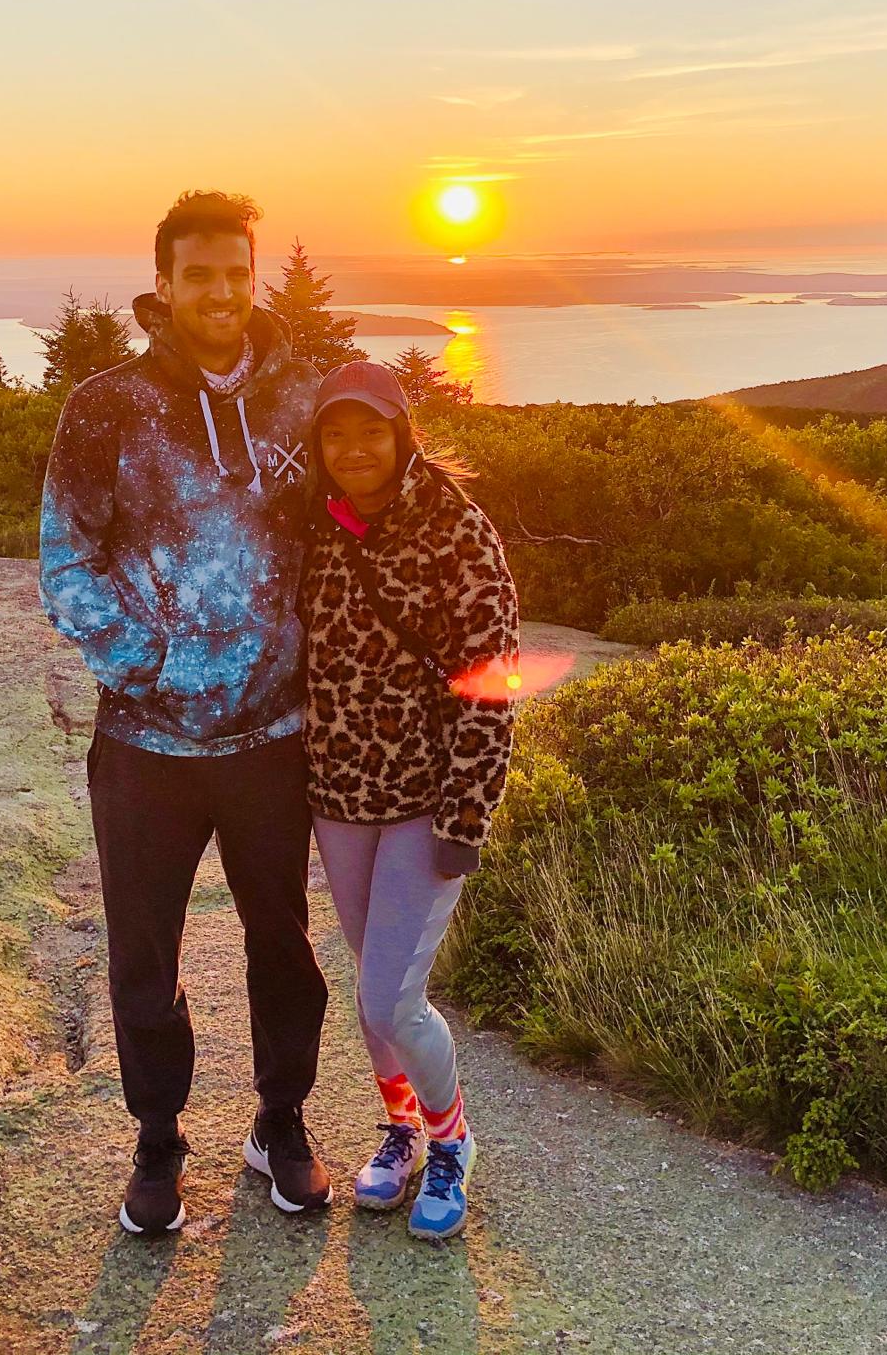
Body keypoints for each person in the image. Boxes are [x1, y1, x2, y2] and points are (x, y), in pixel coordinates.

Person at [39, 190, 331, 1236]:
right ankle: (158, 1141)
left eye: (235, 273)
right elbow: (67, 562)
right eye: (197, 275)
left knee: (283, 948)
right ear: (162, 285)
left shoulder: (306, 398)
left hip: (273, 741)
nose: (219, 292)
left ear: (254, 278)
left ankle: (281, 1125)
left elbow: (358, 533)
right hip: (146, 746)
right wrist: (152, 663)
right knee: (144, 959)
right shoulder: (106, 407)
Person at [299, 361, 519, 1240]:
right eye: (335, 433)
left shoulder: (459, 531)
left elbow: (491, 684)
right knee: (369, 992)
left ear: (403, 433)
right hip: (339, 795)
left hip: (429, 802)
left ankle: (453, 1138)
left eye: (372, 430)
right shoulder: (314, 526)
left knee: (395, 997)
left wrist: (468, 815)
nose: (354, 449)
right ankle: (401, 1130)